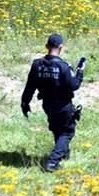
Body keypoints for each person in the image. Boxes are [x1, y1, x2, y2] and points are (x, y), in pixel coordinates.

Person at [20, 34, 86, 172]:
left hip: (47, 104)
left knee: (57, 129)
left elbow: (30, 86)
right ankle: (53, 162)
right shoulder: (63, 66)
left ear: (46, 46)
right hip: (63, 105)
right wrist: (80, 72)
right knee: (67, 132)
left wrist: (25, 102)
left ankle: (64, 155)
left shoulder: (37, 64)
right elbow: (74, 85)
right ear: (61, 47)